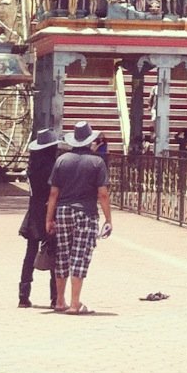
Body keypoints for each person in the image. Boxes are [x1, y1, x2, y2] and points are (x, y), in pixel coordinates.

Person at [45, 123, 113, 316]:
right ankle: (75, 304)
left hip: (63, 211)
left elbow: (53, 194)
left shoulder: (61, 161)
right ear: (90, 141)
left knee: (62, 255)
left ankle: (60, 301)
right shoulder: (96, 163)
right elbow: (103, 194)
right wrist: (108, 219)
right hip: (86, 213)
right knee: (79, 257)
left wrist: (49, 219)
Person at [18, 129, 63, 311]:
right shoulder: (54, 166)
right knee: (54, 254)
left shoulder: (32, 166)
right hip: (49, 211)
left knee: (30, 254)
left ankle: (23, 294)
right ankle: (54, 297)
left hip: (33, 211)